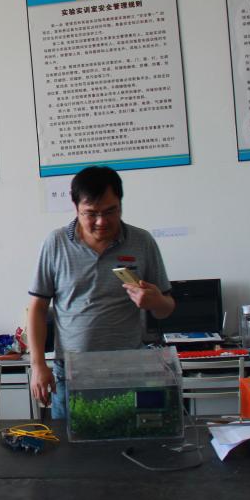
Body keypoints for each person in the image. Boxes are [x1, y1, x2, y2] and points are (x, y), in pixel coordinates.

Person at [27, 166, 175, 419]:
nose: (101, 221)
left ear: (121, 205)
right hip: (71, 371)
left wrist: (156, 301)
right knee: (67, 442)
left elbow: (167, 308)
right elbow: (37, 308)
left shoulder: (142, 242)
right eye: (91, 213)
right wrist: (38, 364)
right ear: (76, 208)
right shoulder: (56, 243)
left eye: (110, 211)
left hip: (127, 369)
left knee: (126, 438)